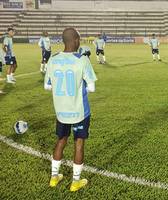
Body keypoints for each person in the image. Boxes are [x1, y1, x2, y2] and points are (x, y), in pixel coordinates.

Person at [44, 27, 97, 192]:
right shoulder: (82, 59)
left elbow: (47, 86)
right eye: (79, 39)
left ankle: (54, 178)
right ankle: (75, 181)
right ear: (75, 40)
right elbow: (92, 88)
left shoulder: (53, 59)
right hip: (79, 111)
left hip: (61, 112)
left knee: (61, 141)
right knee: (79, 143)